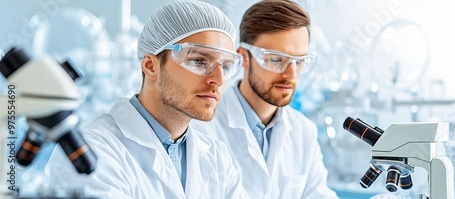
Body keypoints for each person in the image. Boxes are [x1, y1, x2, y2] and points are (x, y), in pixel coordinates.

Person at [43, 1, 248, 198]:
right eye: (198, 61)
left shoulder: (216, 156)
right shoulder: (90, 153)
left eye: (227, 66)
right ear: (151, 66)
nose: (218, 80)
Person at [192, 0, 340, 198]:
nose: (291, 74)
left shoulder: (303, 131)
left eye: (299, 61)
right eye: (277, 59)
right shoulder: (201, 128)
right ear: (244, 57)